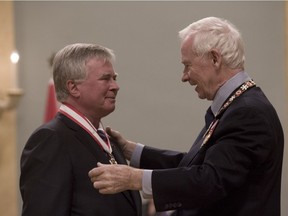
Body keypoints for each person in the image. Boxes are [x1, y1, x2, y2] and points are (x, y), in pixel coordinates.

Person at [88, 17, 284, 216]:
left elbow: (209, 180)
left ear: (215, 59)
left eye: (187, 65)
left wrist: (134, 179)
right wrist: (133, 151)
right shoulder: (237, 105)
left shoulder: (247, 113)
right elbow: (195, 165)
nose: (184, 76)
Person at [20, 43, 142, 216]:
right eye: (105, 78)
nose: (115, 86)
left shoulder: (107, 140)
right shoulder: (52, 139)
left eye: (115, 78)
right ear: (73, 87)